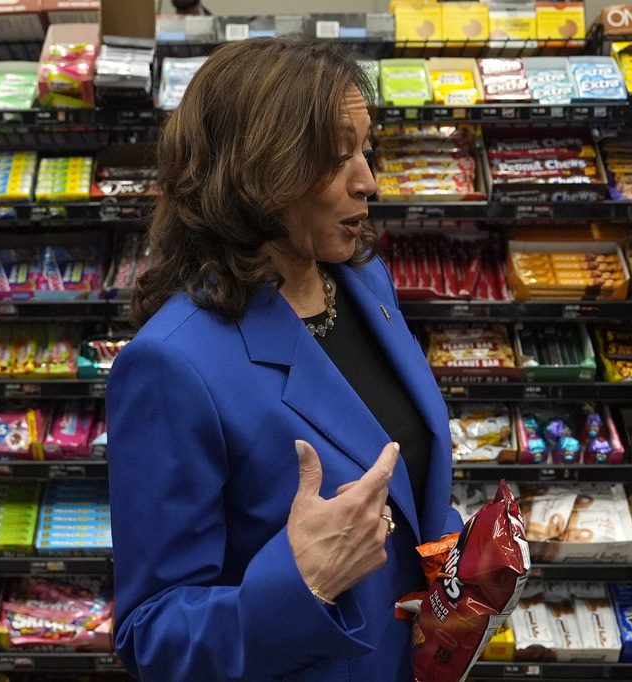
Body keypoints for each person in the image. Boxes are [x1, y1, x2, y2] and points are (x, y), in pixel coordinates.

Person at [107, 37, 464, 681]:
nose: (368, 181)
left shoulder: (363, 281)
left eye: (366, 149)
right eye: (337, 158)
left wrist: (463, 559)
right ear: (257, 173)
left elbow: (402, 471)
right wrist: (303, 582)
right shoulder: (171, 364)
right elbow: (151, 635)